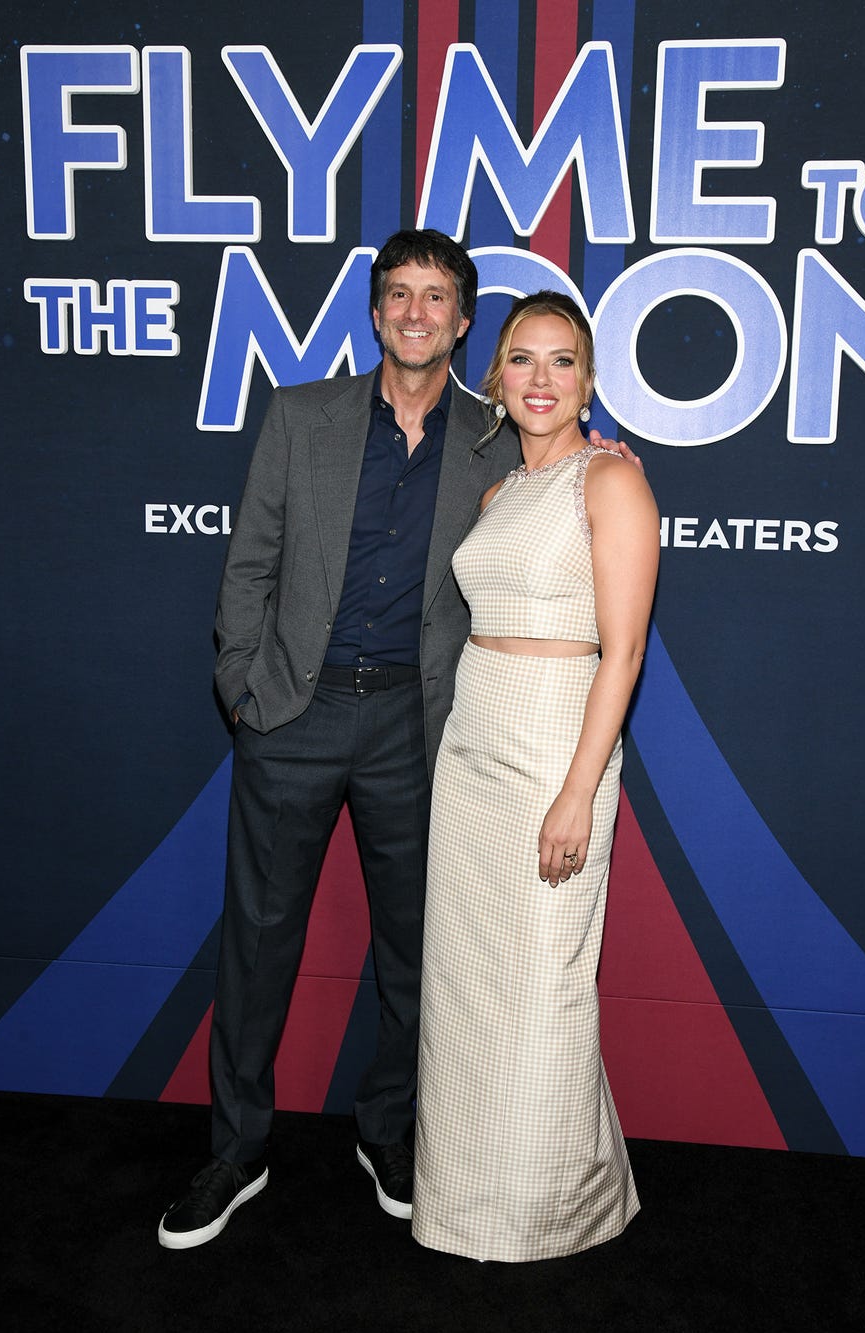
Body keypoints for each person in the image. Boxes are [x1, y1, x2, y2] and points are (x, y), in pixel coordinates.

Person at [157, 232, 629, 1249]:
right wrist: (245, 689)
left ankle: (389, 1131)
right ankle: (235, 1151)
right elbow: (248, 565)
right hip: (295, 714)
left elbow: (573, 476)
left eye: (437, 298)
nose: (416, 313)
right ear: (375, 313)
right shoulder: (300, 415)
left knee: (420, 955)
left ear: (464, 323)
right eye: (398, 295)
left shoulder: (495, 438)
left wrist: (610, 450)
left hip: (423, 734)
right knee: (256, 945)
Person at [411, 292, 660, 1262]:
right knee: (469, 983)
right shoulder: (495, 494)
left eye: (562, 361)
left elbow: (625, 652)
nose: (541, 379)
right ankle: (461, 1199)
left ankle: (545, 1209)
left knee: (545, 983)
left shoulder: (611, 484)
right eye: (522, 360)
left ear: (588, 381)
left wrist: (573, 790)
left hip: (558, 745)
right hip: (471, 749)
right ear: (495, 379)